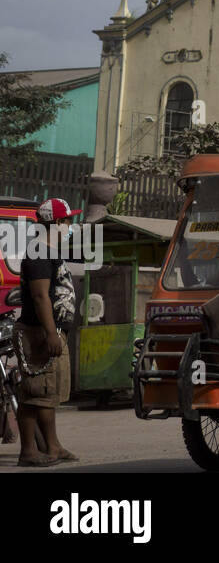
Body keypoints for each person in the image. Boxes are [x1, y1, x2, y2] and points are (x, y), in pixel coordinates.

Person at [16, 198, 81, 467]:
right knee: (35, 392)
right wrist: (51, 333)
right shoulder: (39, 253)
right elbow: (41, 297)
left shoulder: (49, 251)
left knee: (47, 393)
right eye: (67, 221)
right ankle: (29, 451)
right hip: (38, 333)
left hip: (48, 332)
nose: (70, 226)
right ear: (56, 223)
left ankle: (53, 446)